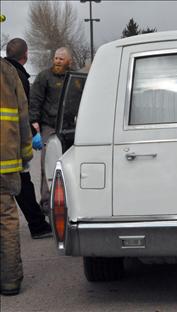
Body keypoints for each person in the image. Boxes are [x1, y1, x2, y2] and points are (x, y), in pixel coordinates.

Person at [5, 38, 53, 239]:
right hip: (10, 144)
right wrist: (29, 144)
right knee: (23, 183)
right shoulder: (18, 77)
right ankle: (37, 225)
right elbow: (22, 114)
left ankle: (37, 224)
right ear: (26, 55)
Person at [1, 57, 33, 296]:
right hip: (6, 163)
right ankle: (10, 281)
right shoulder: (8, 72)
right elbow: (23, 117)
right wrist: (25, 154)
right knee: (6, 219)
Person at [29, 47, 73, 214]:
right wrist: (35, 125)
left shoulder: (74, 79)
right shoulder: (44, 77)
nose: (57, 61)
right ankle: (47, 202)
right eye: (55, 58)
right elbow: (35, 101)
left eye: (61, 59)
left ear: (69, 61)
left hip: (71, 128)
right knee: (48, 164)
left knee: (70, 166)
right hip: (50, 126)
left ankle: (69, 199)